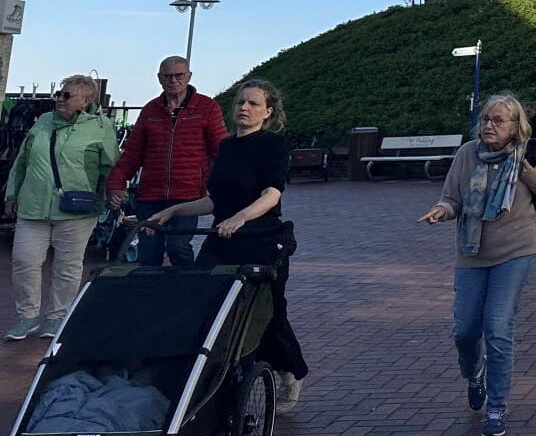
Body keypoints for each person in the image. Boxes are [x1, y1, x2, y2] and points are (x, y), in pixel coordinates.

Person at [144, 81, 309, 414]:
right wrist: (175, 210)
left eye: (253, 103)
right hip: (224, 240)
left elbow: (271, 195)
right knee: (200, 300)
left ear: (268, 112)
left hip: (262, 240)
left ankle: (292, 372)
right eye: (240, 102)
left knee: (268, 313)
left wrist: (240, 219)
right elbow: (215, 200)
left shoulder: (273, 144)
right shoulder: (227, 147)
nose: (244, 107)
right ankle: (204, 375)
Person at [419, 95, 536, 436]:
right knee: (465, 330)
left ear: (516, 126)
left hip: (516, 250)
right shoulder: (467, 154)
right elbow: (451, 198)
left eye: (498, 121)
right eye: (485, 119)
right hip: (471, 250)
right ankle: (474, 374)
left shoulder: (532, 151)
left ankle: (497, 408)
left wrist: (532, 179)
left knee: (497, 327)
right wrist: (442, 211)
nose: (489, 126)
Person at [4, 76, 118, 340]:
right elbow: (22, 160)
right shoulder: (43, 121)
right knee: (24, 260)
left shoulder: (102, 126)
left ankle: (56, 316)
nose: (59, 99)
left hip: (77, 209)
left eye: (67, 95)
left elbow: (111, 166)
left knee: (67, 265)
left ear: (86, 101)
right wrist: (12, 194)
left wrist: (113, 193)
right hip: (34, 204)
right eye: (59, 93)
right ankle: (28, 316)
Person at [106, 56, 227, 267]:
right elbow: (132, 154)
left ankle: (187, 289)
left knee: (177, 247)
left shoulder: (207, 107)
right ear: (159, 79)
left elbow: (221, 149)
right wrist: (115, 185)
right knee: (149, 254)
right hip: (150, 196)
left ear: (188, 76)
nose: (173, 80)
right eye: (167, 76)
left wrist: (235, 180)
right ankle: (151, 295)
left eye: (179, 75)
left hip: (188, 196)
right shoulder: (150, 111)